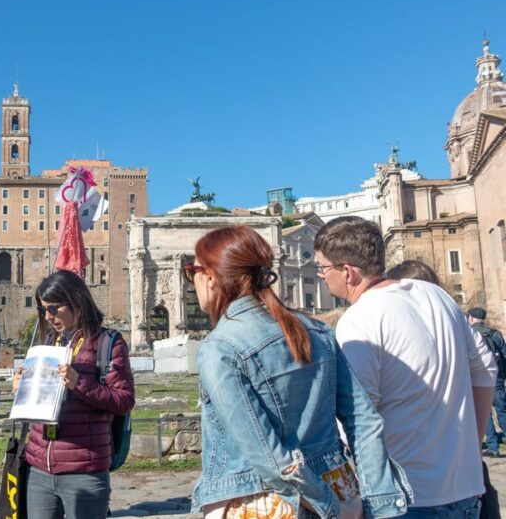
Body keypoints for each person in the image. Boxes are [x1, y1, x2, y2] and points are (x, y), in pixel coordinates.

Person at [189, 225, 411, 518]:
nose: (191, 281)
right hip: (339, 486)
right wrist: (377, 503)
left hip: (267, 503)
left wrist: (332, 509)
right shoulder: (317, 331)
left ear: (210, 277)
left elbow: (269, 458)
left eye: (191, 271)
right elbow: (364, 421)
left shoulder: (219, 348)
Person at [314, 216, 496, 516]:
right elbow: (486, 368)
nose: (321, 275)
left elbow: (359, 417)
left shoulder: (359, 319)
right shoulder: (436, 295)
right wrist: (472, 445)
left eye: (322, 267)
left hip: (407, 496)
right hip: (464, 487)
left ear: (347, 272)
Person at [12, 270, 135, 519]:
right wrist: (24, 387)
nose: (48, 316)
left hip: (84, 469)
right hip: (39, 467)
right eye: (43, 310)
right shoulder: (48, 342)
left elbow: (124, 400)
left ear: (76, 301)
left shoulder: (107, 343)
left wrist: (80, 383)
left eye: (53, 308)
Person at [386, 262, 502, 516]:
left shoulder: (395, 320)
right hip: (461, 478)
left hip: (415, 484)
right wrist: (476, 439)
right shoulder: (452, 318)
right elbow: (486, 367)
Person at [468, 307, 506, 458]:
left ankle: (492, 447)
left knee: (485, 414)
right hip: (497, 378)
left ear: (471, 318)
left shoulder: (470, 334)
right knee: (502, 410)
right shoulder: (495, 333)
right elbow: (504, 355)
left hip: (478, 379)